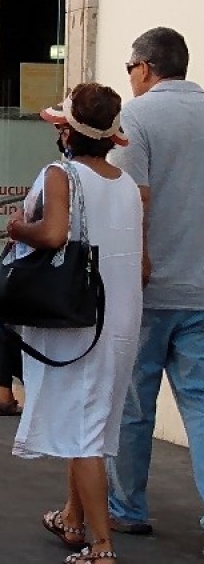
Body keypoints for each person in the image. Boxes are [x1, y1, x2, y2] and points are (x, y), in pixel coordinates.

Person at [10, 83, 142, 564]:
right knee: (93, 423)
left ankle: (101, 546)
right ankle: (72, 517)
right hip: (120, 317)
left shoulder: (60, 174)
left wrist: (17, 228)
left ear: (66, 131)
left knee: (85, 432)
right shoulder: (124, 183)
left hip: (78, 319)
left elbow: (53, 233)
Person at [106, 27, 204, 538]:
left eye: (130, 68)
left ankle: (126, 507)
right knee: (202, 404)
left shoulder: (136, 116)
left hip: (149, 288)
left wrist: (138, 264)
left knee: (133, 403)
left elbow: (132, 199)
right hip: (202, 290)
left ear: (144, 68)